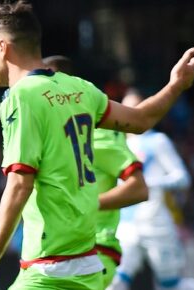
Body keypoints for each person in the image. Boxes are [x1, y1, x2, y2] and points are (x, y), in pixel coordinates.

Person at [0, 1, 194, 289]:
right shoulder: (80, 88)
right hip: (87, 263)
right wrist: (176, 84)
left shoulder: (21, 97)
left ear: (2, 48)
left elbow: (19, 184)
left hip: (50, 265)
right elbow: (141, 119)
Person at [43, 55, 149, 289]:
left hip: (92, 253)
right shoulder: (50, 136)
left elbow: (138, 189)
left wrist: (86, 204)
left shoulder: (95, 132)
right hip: (57, 254)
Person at [109, 90, 194, 290]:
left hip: (156, 223)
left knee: (169, 284)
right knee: (115, 282)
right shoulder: (118, 143)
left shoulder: (158, 141)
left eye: (135, 106)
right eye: (126, 108)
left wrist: (150, 183)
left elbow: (181, 178)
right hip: (126, 225)